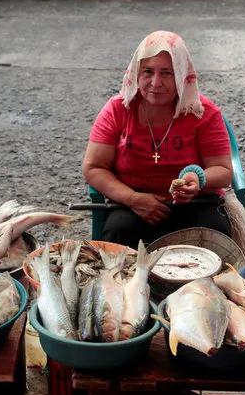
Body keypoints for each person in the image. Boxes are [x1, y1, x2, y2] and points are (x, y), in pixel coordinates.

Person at [82, 31, 234, 249]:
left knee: (212, 235)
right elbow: (94, 167)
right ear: (136, 73)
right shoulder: (118, 109)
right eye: (148, 72)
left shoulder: (203, 112)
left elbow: (223, 170)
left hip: (195, 203)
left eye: (167, 73)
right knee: (119, 233)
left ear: (182, 75)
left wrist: (198, 179)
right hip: (133, 204)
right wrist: (133, 199)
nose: (156, 82)